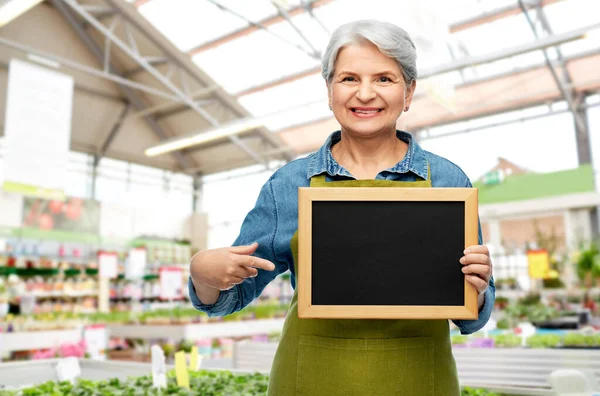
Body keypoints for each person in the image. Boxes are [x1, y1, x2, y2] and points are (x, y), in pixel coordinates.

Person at [189, 19, 495, 396]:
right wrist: (203, 275)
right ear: (329, 89)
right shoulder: (287, 184)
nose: (365, 94)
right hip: (310, 380)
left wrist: (477, 288)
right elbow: (229, 298)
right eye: (349, 79)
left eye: (384, 79)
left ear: (409, 92)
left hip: (419, 380)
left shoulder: (448, 180)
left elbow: (473, 317)